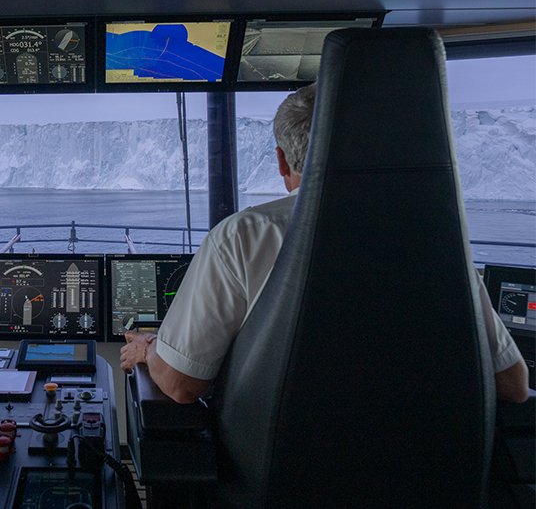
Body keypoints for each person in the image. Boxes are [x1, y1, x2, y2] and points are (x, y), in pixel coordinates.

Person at [121, 84, 529, 404]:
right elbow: (511, 385)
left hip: (277, 481)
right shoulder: (436, 238)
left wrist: (149, 348)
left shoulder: (243, 237)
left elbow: (180, 384)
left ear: (281, 161)